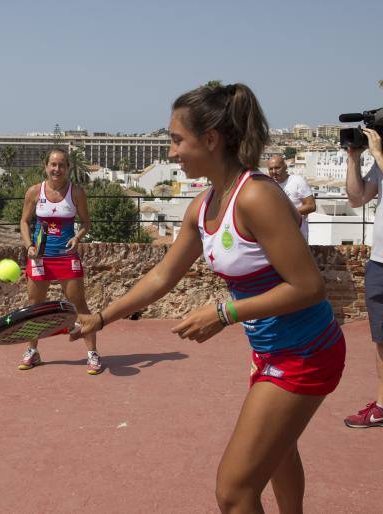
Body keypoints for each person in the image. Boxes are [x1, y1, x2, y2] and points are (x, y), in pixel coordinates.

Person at [73, 83, 345, 512]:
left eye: (176, 139)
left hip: (307, 352)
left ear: (211, 139)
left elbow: (309, 286)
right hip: (273, 351)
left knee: (233, 492)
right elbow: (163, 275)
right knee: (278, 454)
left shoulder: (257, 196)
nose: (170, 152)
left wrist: (224, 312)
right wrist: (101, 318)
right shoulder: (203, 204)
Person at [18, 148, 101, 374]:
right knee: (35, 307)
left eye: (62, 165)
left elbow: (86, 223)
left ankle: (92, 354)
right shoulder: (34, 192)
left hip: (66, 258)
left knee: (80, 306)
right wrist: (29, 246)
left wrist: (77, 237)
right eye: (53, 165)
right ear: (45, 167)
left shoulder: (77, 193)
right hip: (40, 259)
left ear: (68, 168)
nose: (57, 169)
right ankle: (32, 351)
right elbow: (24, 222)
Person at [344, 126, 383, 428]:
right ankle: (382, 406)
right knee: (381, 340)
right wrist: (354, 159)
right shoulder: (380, 162)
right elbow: (357, 198)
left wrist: (379, 153)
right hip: (379, 263)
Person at [267, 155, 315, 240]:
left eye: (277, 168)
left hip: (297, 234)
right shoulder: (268, 185)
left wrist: (286, 213)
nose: (274, 171)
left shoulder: (297, 181)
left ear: (285, 167)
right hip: (277, 236)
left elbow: (311, 206)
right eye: (271, 169)